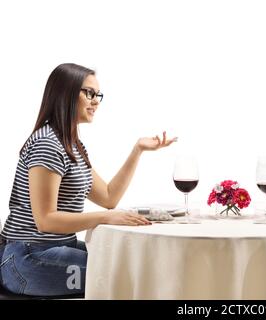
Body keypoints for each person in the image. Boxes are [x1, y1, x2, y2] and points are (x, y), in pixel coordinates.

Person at [0, 63, 177, 297]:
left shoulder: (72, 145)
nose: (96, 101)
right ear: (66, 93)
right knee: (134, 274)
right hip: (28, 258)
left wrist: (138, 150)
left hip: (56, 249)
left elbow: (108, 197)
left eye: (98, 95)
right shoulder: (47, 144)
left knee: (136, 262)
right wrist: (106, 217)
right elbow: (46, 220)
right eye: (89, 93)